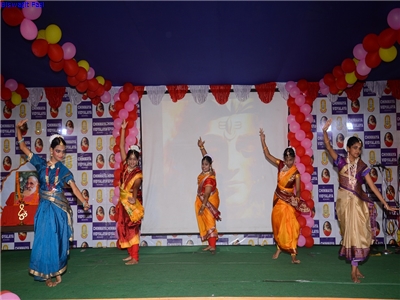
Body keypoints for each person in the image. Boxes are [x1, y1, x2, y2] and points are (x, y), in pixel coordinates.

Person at [322, 118, 398, 283]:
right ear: (348, 148)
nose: (357, 151)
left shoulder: (362, 166)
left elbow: (372, 186)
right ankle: (354, 267)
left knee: (359, 233)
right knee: (349, 233)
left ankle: (354, 270)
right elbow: (328, 147)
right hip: (343, 203)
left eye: (359, 148)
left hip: (357, 203)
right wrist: (324, 132)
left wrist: (385, 203)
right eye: (355, 148)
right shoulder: (341, 161)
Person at [16, 119, 90, 288]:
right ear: (51, 150)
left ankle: (56, 270)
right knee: (44, 240)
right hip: (44, 209)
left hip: (58, 210)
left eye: (63, 152)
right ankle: (46, 275)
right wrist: (18, 130)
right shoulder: (40, 164)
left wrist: (84, 201)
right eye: (58, 151)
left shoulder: (64, 170)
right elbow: (23, 148)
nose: (61, 154)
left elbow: (74, 188)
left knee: (57, 240)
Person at [259, 128, 309, 264]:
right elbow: (268, 155)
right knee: (277, 225)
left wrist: (297, 198)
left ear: (294, 159)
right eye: (287, 160)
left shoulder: (296, 173)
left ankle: (293, 254)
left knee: (291, 225)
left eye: (291, 160)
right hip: (277, 199)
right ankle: (279, 248)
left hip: (288, 201)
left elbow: (298, 190)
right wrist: (263, 140)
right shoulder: (280, 165)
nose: (288, 162)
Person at [115, 119, 144, 265]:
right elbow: (121, 146)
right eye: (130, 158)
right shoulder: (126, 167)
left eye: (134, 159)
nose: (132, 161)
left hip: (132, 204)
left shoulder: (138, 174)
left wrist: (132, 198)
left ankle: (135, 257)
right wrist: (123, 129)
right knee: (124, 228)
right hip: (123, 203)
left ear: (138, 160)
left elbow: (136, 186)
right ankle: (130, 254)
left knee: (132, 229)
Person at [196, 137, 221, 254]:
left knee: (210, 221)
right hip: (204, 199)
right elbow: (207, 157)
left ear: (210, 165)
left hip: (209, 200)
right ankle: (210, 244)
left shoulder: (209, 178)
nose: (204, 166)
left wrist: (203, 206)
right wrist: (201, 147)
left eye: (206, 165)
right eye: (203, 164)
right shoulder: (207, 172)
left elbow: (206, 194)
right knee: (206, 221)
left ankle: (213, 246)